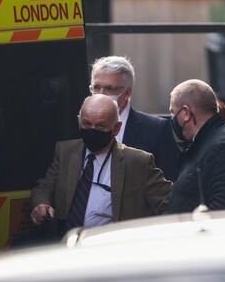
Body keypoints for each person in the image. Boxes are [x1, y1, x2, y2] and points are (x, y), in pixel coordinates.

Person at [30, 95, 171, 233]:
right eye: (86, 124)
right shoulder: (65, 151)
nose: (92, 130)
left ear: (116, 128)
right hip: (66, 244)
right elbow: (44, 187)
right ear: (79, 122)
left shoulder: (138, 162)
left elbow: (169, 203)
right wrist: (41, 204)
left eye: (100, 126)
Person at [89, 56, 180, 180]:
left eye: (109, 88)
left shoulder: (156, 130)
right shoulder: (79, 128)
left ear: (127, 93)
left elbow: (169, 181)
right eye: (96, 87)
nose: (101, 94)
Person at [168, 79, 225, 213]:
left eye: (173, 112)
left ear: (186, 113)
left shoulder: (222, 147)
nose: (172, 118)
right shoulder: (207, 142)